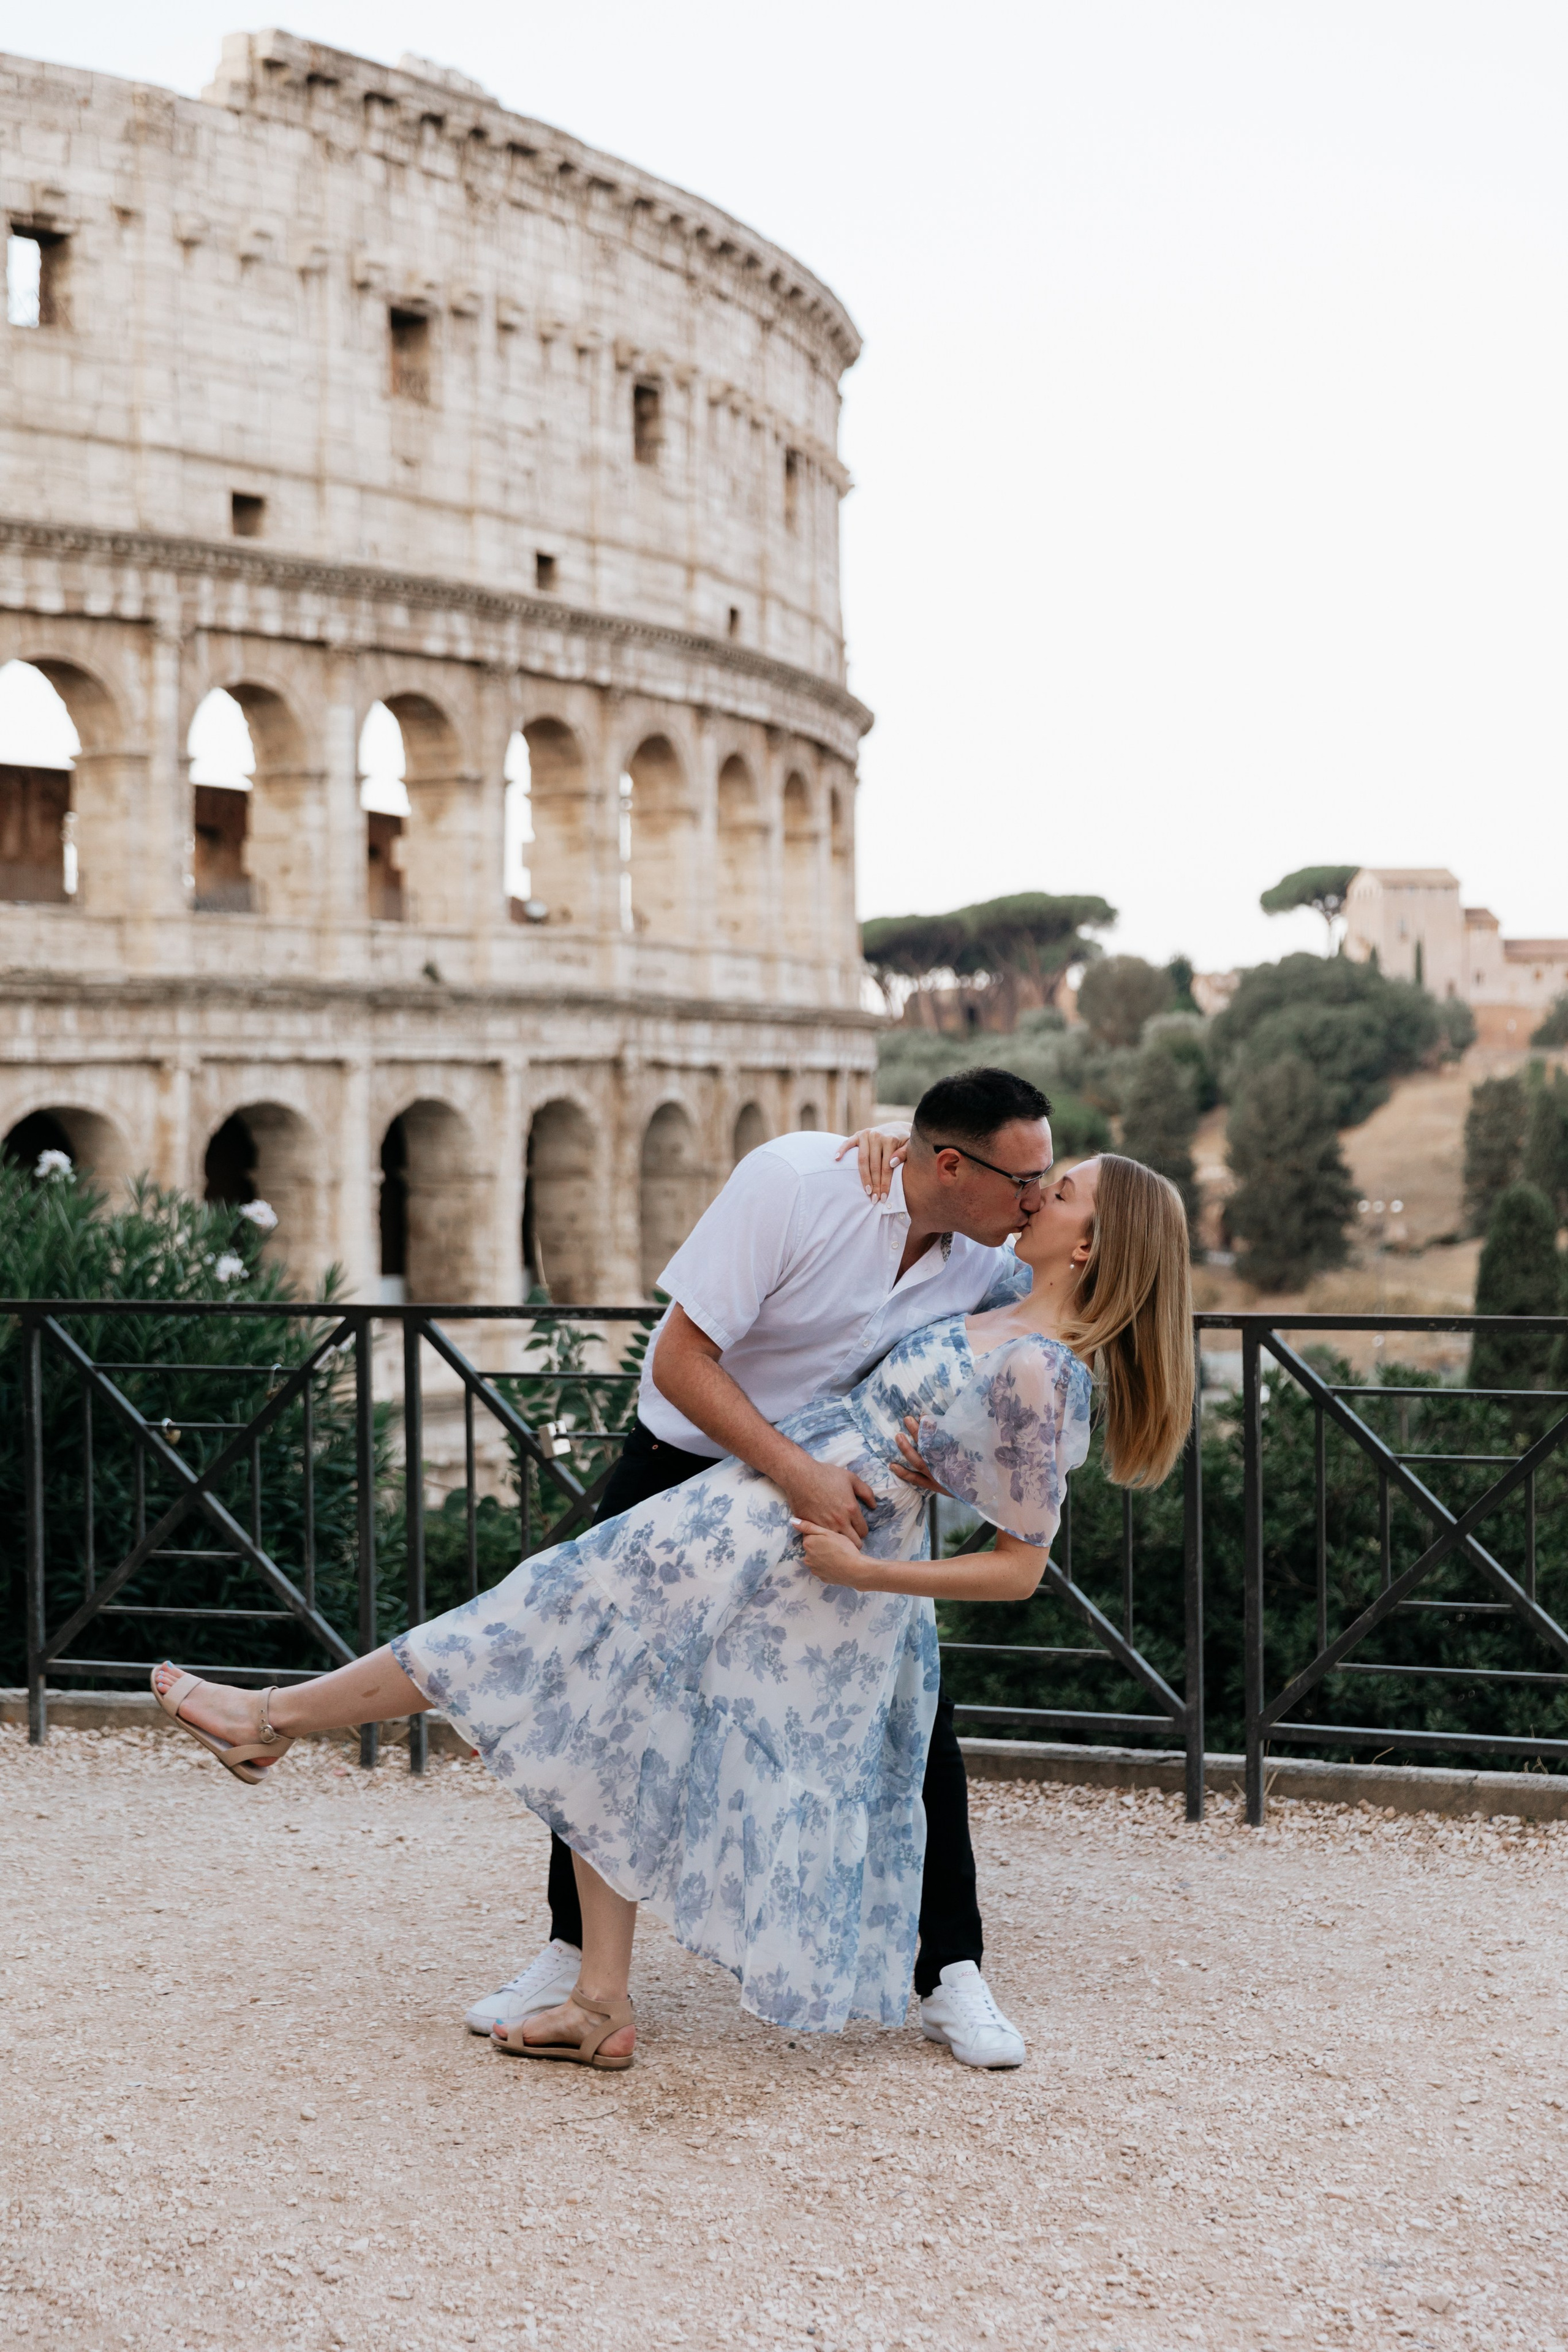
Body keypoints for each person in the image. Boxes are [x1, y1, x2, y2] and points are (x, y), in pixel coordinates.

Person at [152, 1146, 1195, 2076]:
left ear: (1092, 1247)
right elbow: (950, 1196)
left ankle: (272, 1724)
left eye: (1055, 1194)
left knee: (536, 1635)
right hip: (752, 1517)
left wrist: (867, 1569)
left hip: (811, 1557)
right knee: (583, 1677)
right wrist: (896, 1152)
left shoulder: (1037, 1368)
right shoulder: (1009, 1295)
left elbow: (1016, 1569)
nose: (1031, 1202)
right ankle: (594, 1996)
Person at [473, 1067, 1053, 2071]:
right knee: (602, 1700)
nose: (1038, 1197)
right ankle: (572, 1958)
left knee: (909, 1716)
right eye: (1024, 1181)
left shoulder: (991, 1253)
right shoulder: (795, 1183)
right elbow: (680, 1363)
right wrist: (795, 1476)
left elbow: (1091, 1248)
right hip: (689, 1465)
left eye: (1047, 1183)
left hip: (834, 1489)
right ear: (951, 1165)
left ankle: (950, 1969)